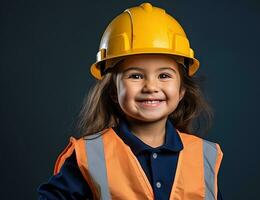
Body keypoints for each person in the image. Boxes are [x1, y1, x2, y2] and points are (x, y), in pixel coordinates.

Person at [37, 2, 223, 200]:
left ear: (182, 90)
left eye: (164, 76)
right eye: (135, 76)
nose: (151, 87)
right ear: (113, 91)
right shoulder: (90, 155)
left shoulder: (204, 155)